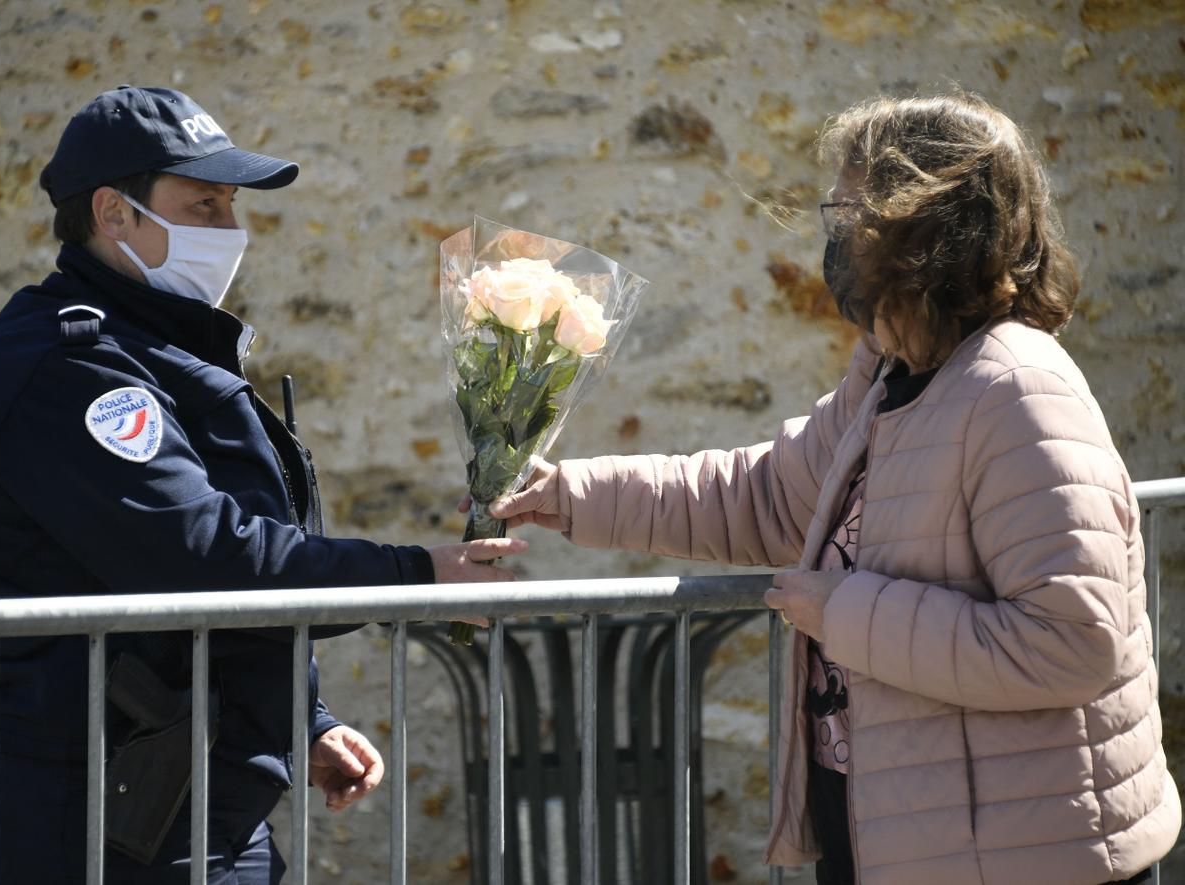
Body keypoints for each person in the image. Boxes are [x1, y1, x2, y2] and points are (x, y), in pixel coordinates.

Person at [489, 93, 1180, 885]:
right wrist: (570, 493)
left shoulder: (1019, 391)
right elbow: (764, 495)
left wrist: (844, 612)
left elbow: (1070, 641)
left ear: (926, 230)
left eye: (854, 215)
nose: (837, 240)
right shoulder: (893, 371)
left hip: (1022, 856)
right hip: (917, 839)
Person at [0, 85, 525, 884]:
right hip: (91, 808)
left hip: (184, 795)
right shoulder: (66, 362)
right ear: (114, 214)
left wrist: (297, 721)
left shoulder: (156, 345)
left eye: (229, 206)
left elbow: (207, 590)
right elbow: (197, 553)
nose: (229, 229)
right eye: (204, 204)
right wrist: (412, 574)